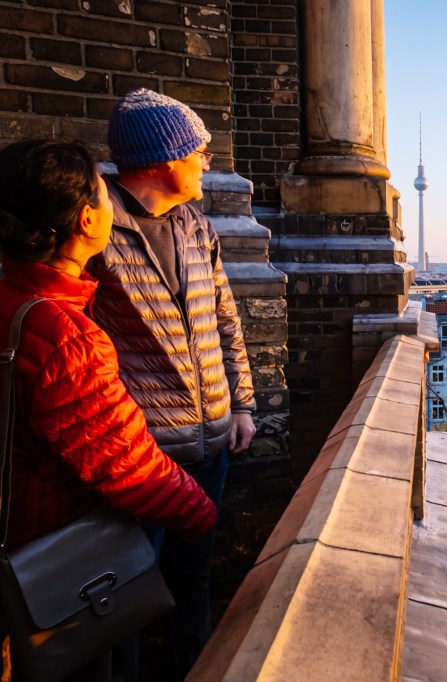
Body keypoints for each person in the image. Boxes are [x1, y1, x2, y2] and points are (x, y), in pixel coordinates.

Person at [0, 139, 218, 680]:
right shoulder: (65, 337)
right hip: (59, 557)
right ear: (87, 218)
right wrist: (203, 513)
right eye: (103, 190)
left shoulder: (16, 300)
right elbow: (127, 467)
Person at [87, 88, 256, 678]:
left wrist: (241, 405)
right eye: (199, 152)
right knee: (125, 601)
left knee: (194, 581)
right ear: (165, 159)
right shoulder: (97, 227)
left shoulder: (193, 224)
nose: (207, 162)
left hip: (210, 446)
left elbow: (225, 318)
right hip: (144, 457)